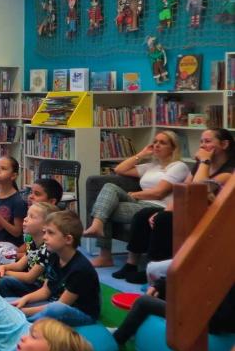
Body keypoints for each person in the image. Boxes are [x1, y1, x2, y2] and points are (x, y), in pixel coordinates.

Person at [83, 130, 189, 277]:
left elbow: (159, 192)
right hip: (139, 203)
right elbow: (119, 169)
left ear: (173, 148)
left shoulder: (178, 166)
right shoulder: (151, 166)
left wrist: (134, 194)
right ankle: (98, 227)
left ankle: (104, 254)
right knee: (109, 187)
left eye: (162, 143)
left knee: (103, 207)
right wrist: (142, 154)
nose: (157, 145)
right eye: (155, 142)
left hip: (157, 208)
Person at [127, 128, 235, 270]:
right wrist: (165, 210)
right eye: (201, 141)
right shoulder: (201, 166)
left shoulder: (229, 171)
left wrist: (204, 161)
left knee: (163, 220)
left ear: (224, 144)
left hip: (212, 218)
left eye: (207, 141)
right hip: (193, 211)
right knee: (144, 214)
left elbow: (198, 189)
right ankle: (131, 265)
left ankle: (157, 270)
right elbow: (182, 191)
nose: (202, 146)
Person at [18, 211, 101, 327]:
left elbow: (61, 305)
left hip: (80, 313)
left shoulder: (81, 269)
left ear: (68, 239)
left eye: (50, 233)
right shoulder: (54, 255)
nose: (44, 237)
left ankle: (24, 324)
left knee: (55, 309)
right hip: (54, 303)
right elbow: (45, 291)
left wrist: (23, 312)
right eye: (45, 232)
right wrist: (25, 299)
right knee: (10, 302)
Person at [0, 202, 60, 298]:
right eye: (27, 215)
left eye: (31, 217)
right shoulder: (31, 241)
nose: (25, 219)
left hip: (41, 288)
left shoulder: (47, 248)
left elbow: (30, 277)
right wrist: (2, 267)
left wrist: (4, 272)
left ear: (45, 226)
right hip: (32, 284)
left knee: (2, 281)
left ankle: (14, 305)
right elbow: (19, 265)